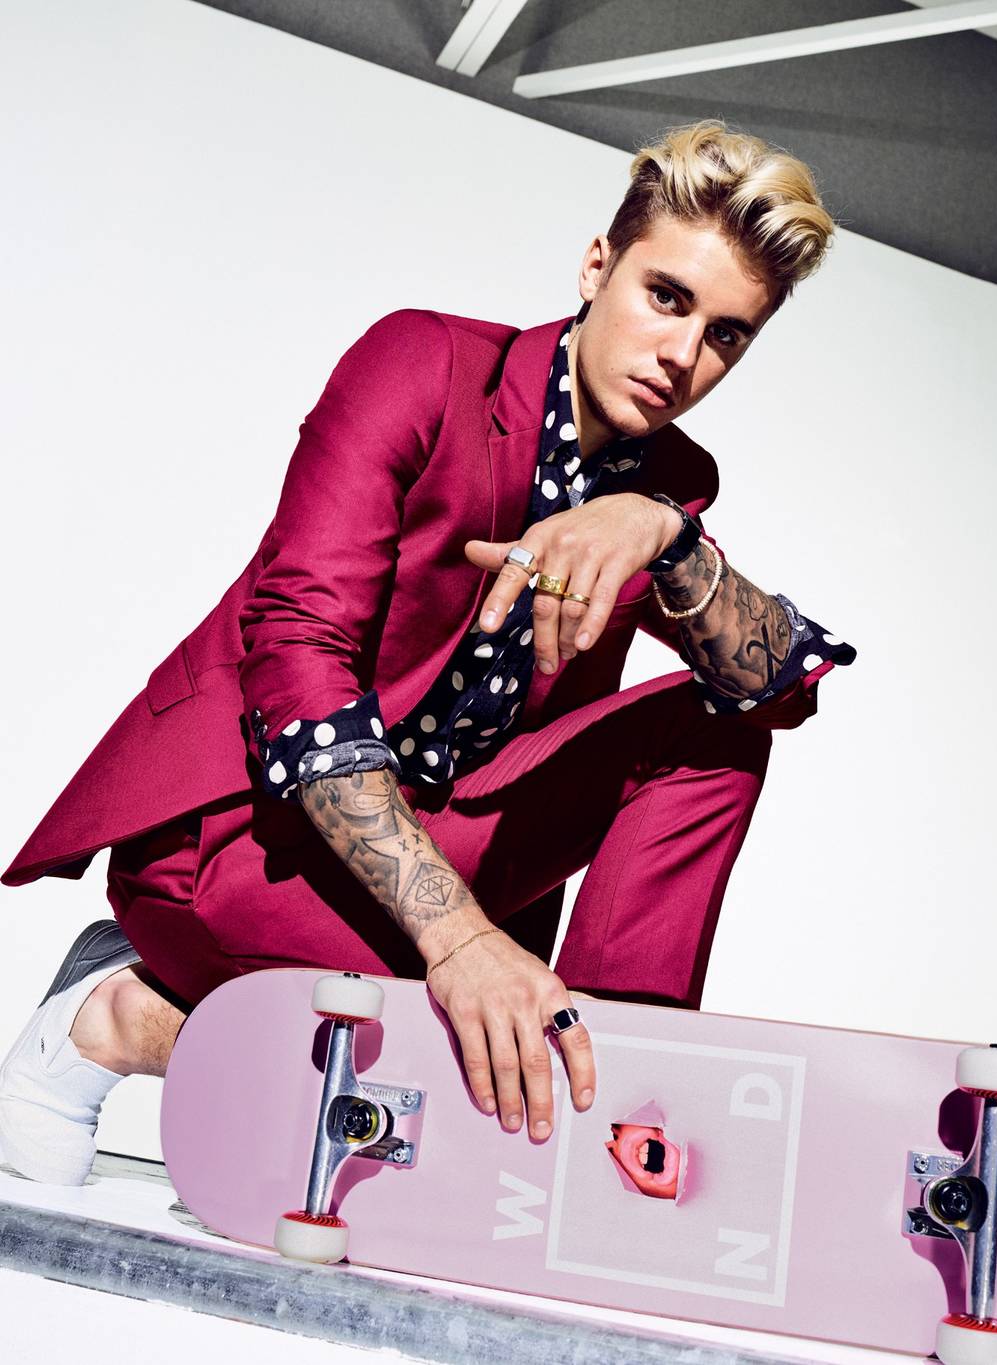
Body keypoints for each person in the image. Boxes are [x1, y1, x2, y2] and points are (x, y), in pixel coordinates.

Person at [0, 120, 855, 1185]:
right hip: (251, 838)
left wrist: (663, 534)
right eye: (666, 297)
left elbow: (774, 691)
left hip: (443, 848)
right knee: (446, 1067)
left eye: (726, 335)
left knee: (714, 732)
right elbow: (298, 663)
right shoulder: (424, 365)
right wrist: (462, 946)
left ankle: (617, 1075)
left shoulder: (666, 484)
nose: (683, 355)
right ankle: (117, 1012)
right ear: (597, 267)